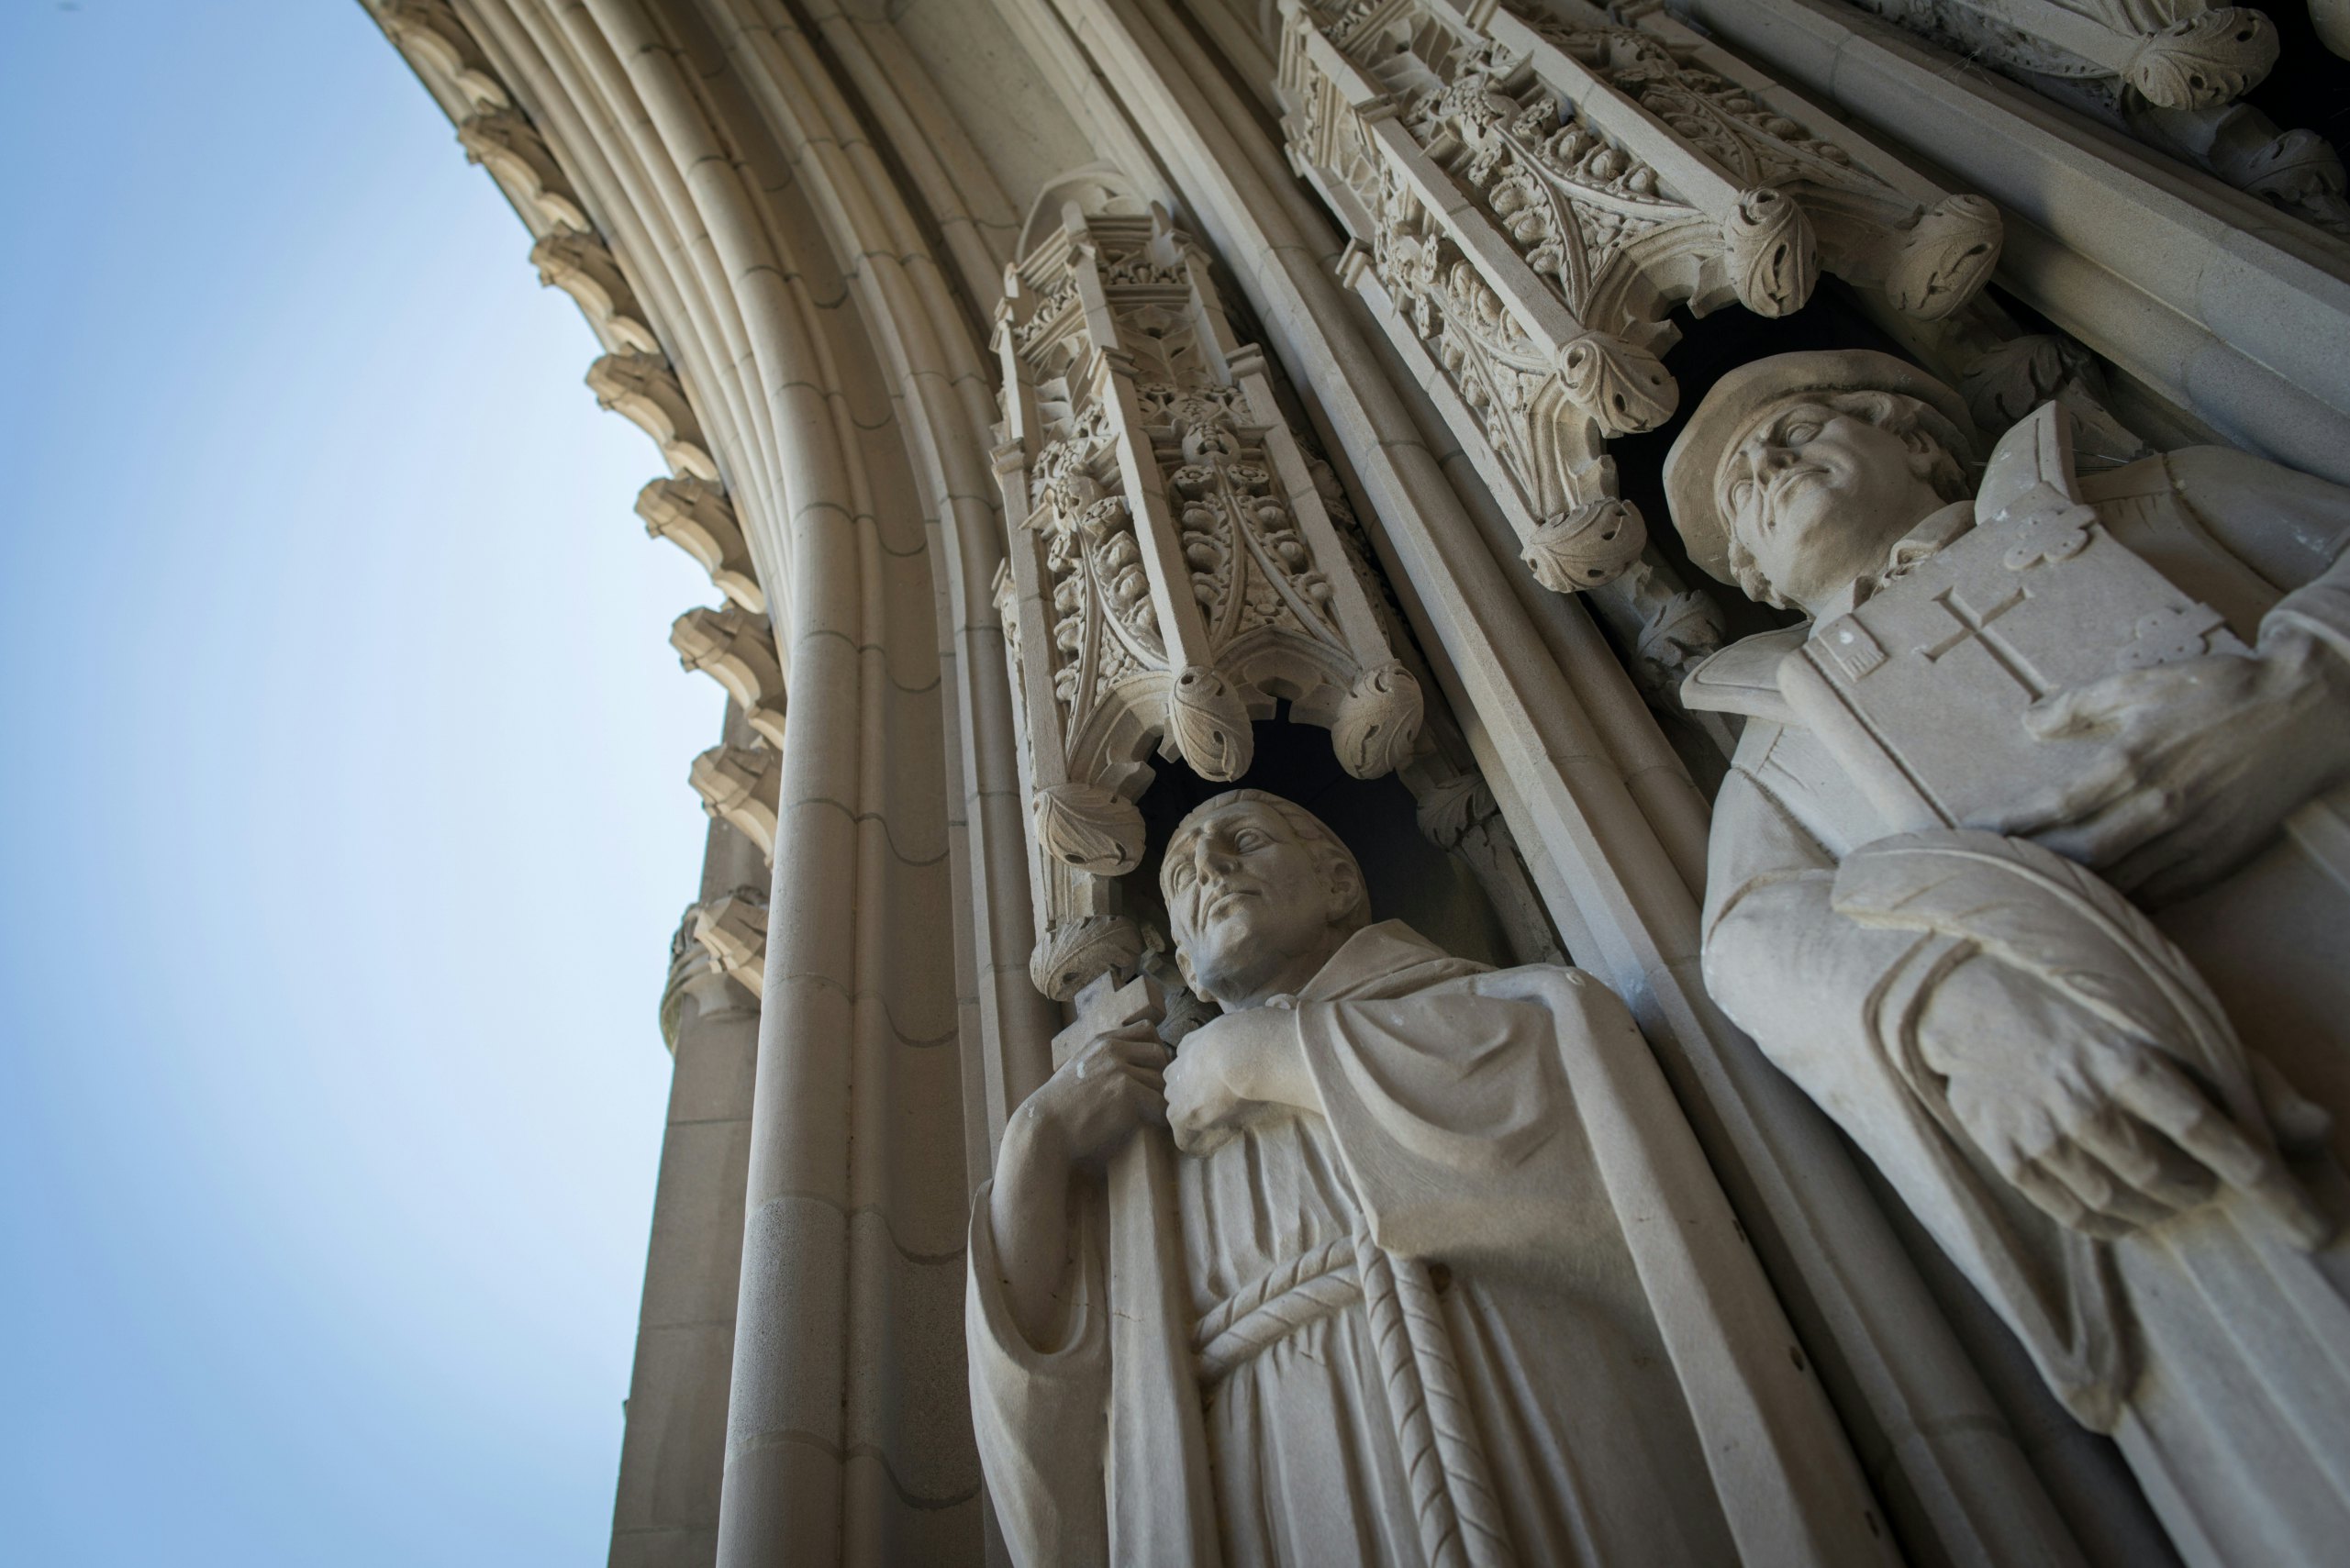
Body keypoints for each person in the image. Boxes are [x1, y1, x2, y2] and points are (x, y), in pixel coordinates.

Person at [1663, 349, 2350, 1566]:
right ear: (1757, 580)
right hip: (2158, 1119)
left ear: (1919, 441)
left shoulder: (2150, 499)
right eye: (1741, 501)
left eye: (1794, 429)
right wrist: (1955, 1011)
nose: (1766, 469)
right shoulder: (1777, 767)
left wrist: (2308, 688)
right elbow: (1752, 949)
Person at [965, 787, 1888, 1568]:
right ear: (1186, 962)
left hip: (1527, 1414)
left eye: (1242, 838)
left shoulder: (1494, 1006)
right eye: (1179, 874)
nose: (1207, 865)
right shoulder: (1155, 1148)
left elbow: (1595, 1149)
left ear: (1337, 879)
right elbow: (1054, 1384)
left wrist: (1275, 1054)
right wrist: (1038, 1139)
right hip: (1276, 1477)